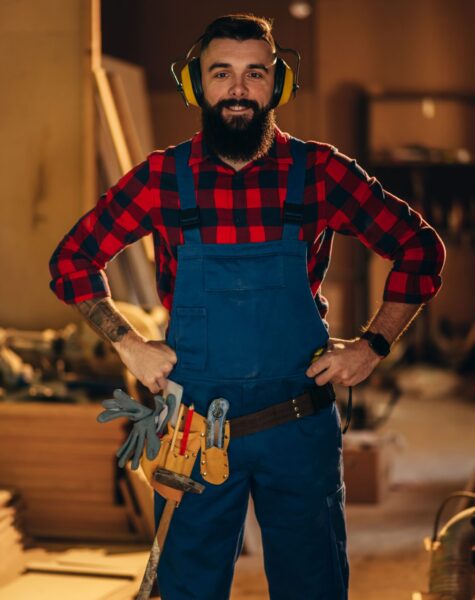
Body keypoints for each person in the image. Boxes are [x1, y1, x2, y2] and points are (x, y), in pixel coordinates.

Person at [49, 13, 445, 600]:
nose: (238, 89)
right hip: (192, 432)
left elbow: (419, 249)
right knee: (188, 588)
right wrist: (129, 343)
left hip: (298, 424)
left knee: (312, 585)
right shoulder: (163, 177)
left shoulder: (320, 172)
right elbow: (72, 260)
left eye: (254, 74)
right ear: (197, 86)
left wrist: (373, 345)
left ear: (276, 84)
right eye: (221, 73)